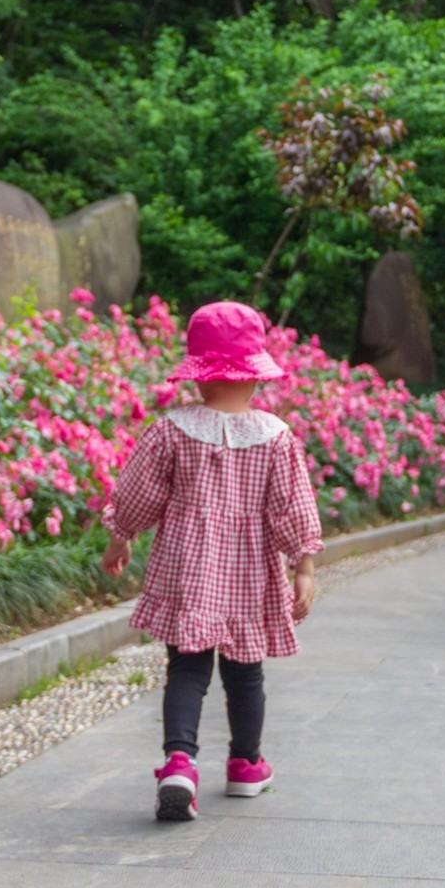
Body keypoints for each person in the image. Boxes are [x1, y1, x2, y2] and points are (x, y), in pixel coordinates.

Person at [101, 300, 322, 821]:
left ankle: (179, 762)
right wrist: (304, 565)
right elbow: (294, 504)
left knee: (187, 667)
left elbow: (137, 492)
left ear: (198, 377)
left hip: (188, 566)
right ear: (255, 377)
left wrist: (121, 536)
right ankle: (246, 764)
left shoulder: (171, 430)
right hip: (250, 573)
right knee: (246, 674)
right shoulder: (276, 437)